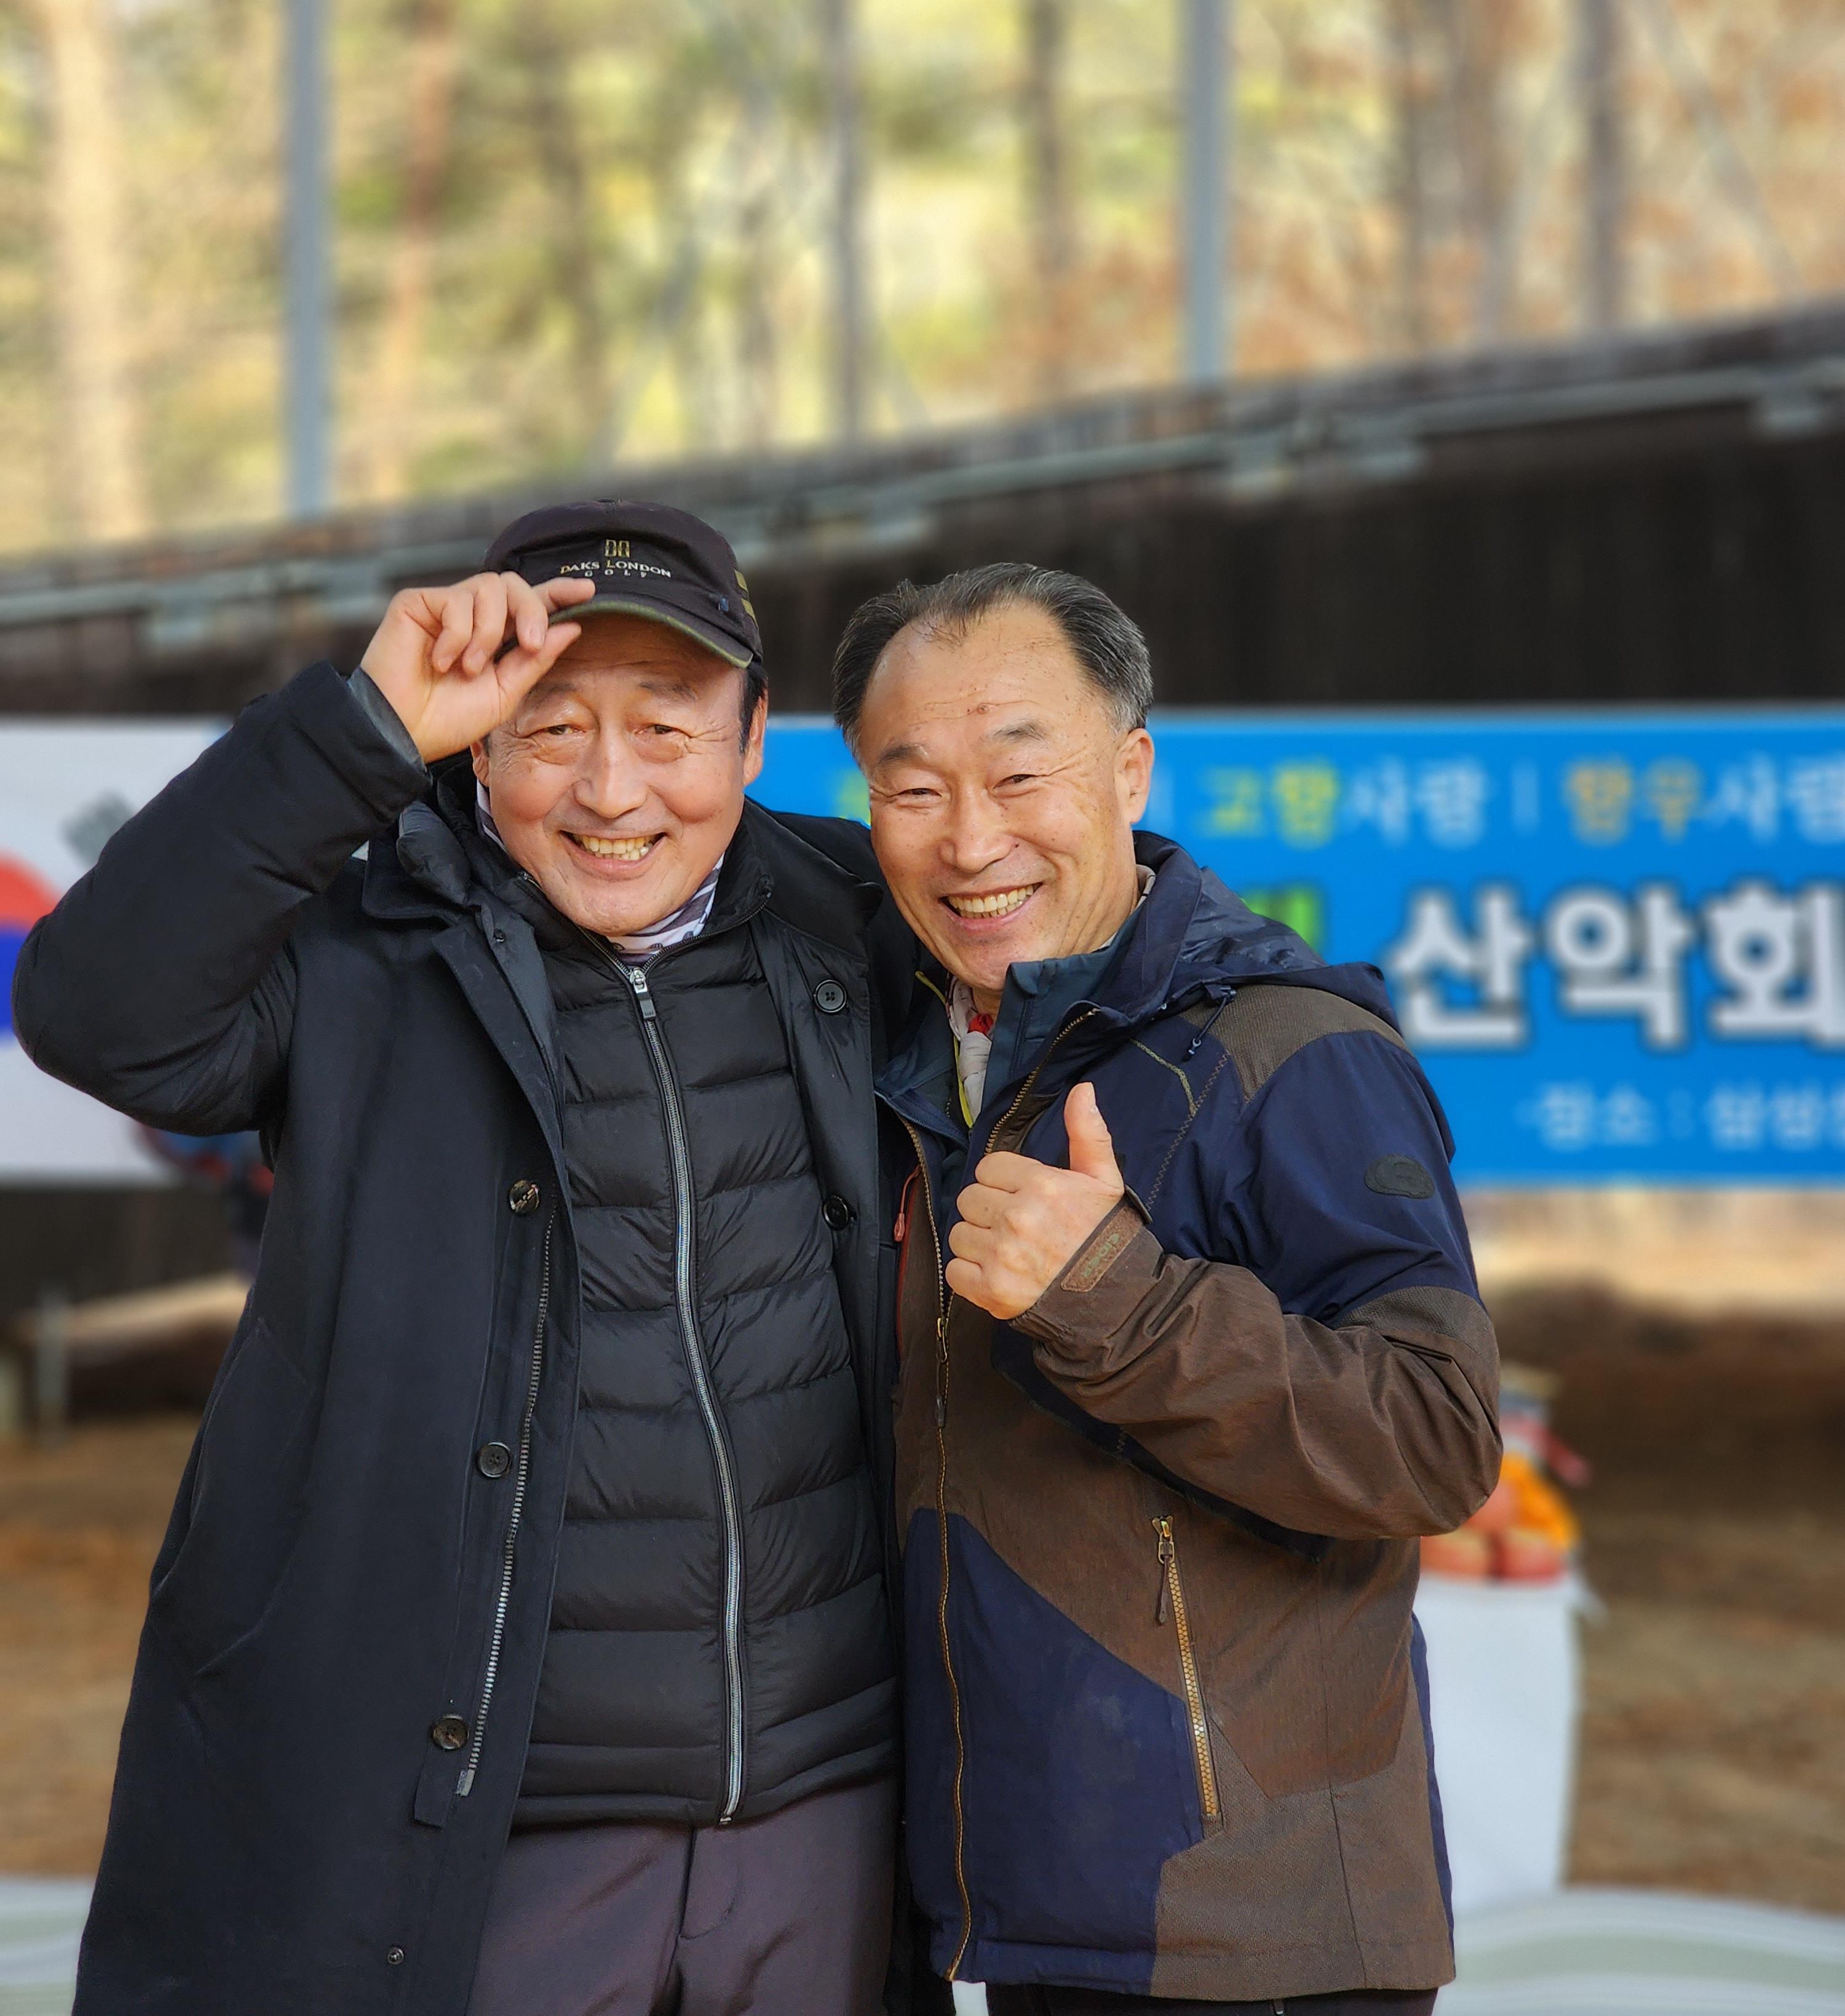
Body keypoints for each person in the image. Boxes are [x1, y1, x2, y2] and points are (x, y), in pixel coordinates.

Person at [15, 502, 921, 2016]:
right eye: (551, 726)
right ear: (478, 743)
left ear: (756, 735)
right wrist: (357, 732)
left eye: (667, 725)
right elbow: (92, 1011)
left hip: (823, 1812)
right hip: (494, 1833)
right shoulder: (363, 940)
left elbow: (1102, 921)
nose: (612, 788)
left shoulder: (853, 920)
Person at [830, 562, 1502, 2016]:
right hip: (1031, 1902)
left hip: (1253, 1929)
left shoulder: (1290, 1047)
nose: (972, 838)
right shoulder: (913, 1050)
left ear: (1130, 769)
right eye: (915, 788)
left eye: (1022, 774)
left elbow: (1437, 1434)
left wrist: (1116, 1300)